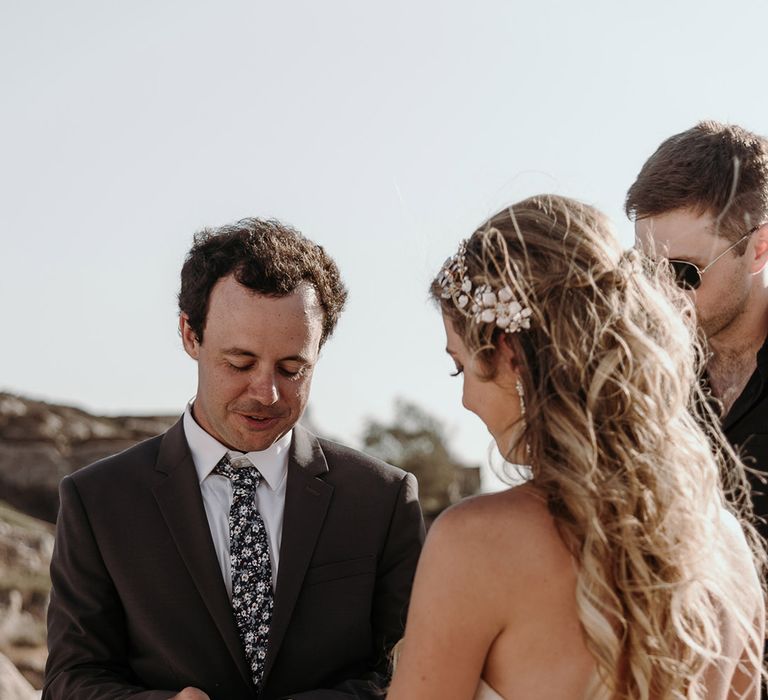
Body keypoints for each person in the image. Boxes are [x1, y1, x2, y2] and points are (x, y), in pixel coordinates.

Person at [387, 195, 765, 699]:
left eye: (461, 366)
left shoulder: (474, 544)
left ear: (510, 352)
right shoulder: (726, 545)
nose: (464, 398)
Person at [43, 218, 425, 700]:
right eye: (239, 363)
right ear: (190, 335)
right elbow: (69, 679)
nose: (265, 393)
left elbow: (414, 672)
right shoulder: (95, 501)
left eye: (292, 368)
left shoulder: (384, 499)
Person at [626, 121, 768, 539]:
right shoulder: (633, 383)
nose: (661, 292)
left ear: (758, 249)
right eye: (645, 269)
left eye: (683, 271)